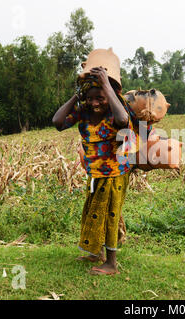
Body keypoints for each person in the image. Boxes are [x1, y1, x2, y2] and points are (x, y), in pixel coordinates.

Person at [52, 62, 139, 275]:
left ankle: (111, 264)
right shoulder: (83, 112)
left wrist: (106, 88)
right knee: (94, 212)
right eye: (90, 98)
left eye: (99, 98)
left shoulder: (114, 112)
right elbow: (57, 122)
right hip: (95, 174)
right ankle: (95, 253)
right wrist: (77, 95)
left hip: (115, 173)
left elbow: (123, 120)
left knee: (109, 215)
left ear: (109, 96)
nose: (95, 103)